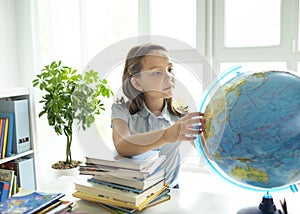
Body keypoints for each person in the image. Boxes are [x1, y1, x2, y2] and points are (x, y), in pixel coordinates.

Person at [111, 43, 204, 188]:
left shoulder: (181, 115)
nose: (169, 77)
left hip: (170, 191)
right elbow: (122, 145)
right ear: (137, 82)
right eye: (157, 72)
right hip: (134, 193)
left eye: (170, 69)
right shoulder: (121, 110)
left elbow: (207, 153)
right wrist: (166, 135)